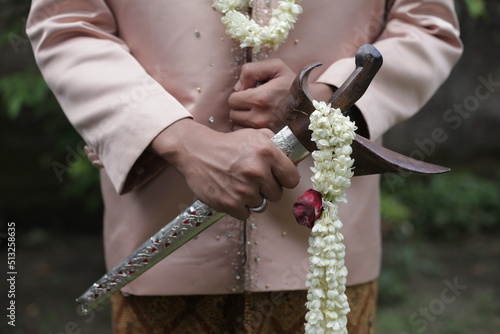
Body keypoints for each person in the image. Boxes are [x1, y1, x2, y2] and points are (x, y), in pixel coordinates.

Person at [27, 0, 462, 333]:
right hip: (159, 236)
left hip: (326, 250)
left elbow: (426, 24)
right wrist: (178, 138)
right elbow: (68, 25)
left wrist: (322, 102)